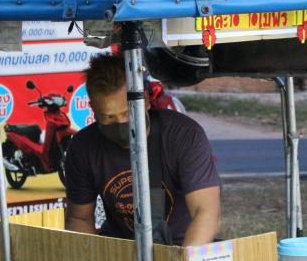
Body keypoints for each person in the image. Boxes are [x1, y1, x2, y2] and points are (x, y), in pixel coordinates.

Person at [63, 54, 221, 246]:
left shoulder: (183, 135)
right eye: (109, 117)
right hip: (120, 249)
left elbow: (206, 213)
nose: (121, 123)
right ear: (93, 110)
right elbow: (79, 218)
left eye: (127, 113)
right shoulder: (83, 147)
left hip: (182, 246)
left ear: (145, 100)